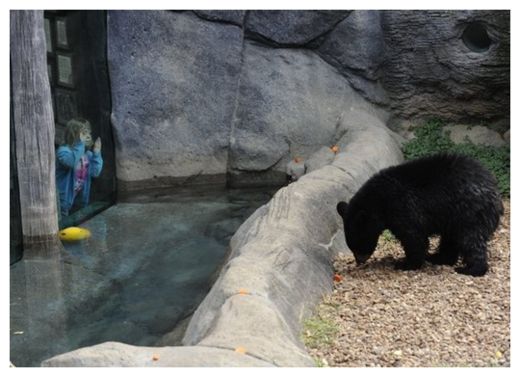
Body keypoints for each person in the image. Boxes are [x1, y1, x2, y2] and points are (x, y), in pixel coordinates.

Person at [56, 118, 103, 217]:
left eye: (88, 132)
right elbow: (72, 162)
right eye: (84, 133)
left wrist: (96, 154)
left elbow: (95, 172)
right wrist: (79, 143)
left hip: (80, 203)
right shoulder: (63, 151)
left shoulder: (87, 155)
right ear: (74, 134)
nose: (88, 136)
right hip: (63, 204)